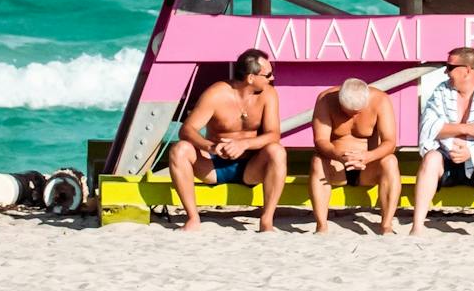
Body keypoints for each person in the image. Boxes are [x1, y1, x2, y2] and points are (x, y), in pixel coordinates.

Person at [167, 49, 288, 233]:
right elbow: (187, 130)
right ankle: (192, 218)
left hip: (250, 167)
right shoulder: (216, 94)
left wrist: (244, 144)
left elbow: (273, 135)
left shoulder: (268, 94)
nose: (271, 78)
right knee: (179, 149)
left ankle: (266, 221)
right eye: (268, 74)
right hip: (214, 166)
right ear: (250, 78)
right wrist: (211, 147)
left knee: (277, 151)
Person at [413, 46, 474, 237]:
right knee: (431, 158)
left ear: (467, 70)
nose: (445, 71)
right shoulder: (441, 92)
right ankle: (417, 226)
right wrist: (464, 129)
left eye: (450, 67)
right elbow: (426, 128)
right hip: (446, 159)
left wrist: (471, 152)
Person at [308, 78, 403, 234]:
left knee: (391, 161)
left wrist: (368, 156)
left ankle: (386, 225)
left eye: (357, 112)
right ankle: (321, 225)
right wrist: (338, 155)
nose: (353, 116)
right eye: (348, 112)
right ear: (340, 100)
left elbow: (390, 142)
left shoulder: (380, 100)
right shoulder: (326, 99)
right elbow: (320, 141)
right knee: (318, 161)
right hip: (337, 165)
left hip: (368, 165)